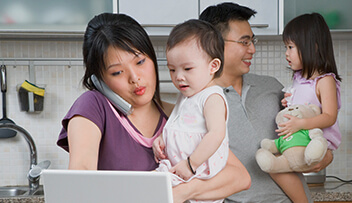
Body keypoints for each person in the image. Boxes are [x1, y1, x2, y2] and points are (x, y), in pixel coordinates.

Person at [57, 13, 250, 203]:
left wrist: (182, 192)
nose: (135, 78)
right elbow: (81, 181)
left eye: (140, 61)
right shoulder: (93, 106)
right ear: (100, 79)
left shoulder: (178, 115)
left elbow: (239, 177)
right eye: (117, 72)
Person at [198, 3, 333, 202]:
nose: (252, 49)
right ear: (213, 43)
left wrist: (327, 155)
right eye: (244, 42)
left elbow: (312, 128)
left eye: (253, 41)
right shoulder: (199, 103)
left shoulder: (272, 87)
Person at [269, 12, 342, 203]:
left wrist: (300, 124)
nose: (286, 53)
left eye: (291, 47)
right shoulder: (298, 78)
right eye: (286, 47)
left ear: (313, 46)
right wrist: (288, 104)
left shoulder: (325, 80)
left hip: (316, 142)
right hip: (300, 140)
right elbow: (303, 106)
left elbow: (329, 116)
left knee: (276, 168)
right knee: (276, 168)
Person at [153, 19, 229, 203]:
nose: (178, 76)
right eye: (172, 69)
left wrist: (190, 164)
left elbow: (217, 134)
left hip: (198, 173)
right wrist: (163, 138)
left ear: (213, 66)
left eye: (187, 68)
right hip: (180, 171)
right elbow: (180, 123)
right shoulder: (188, 95)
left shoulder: (212, 97)